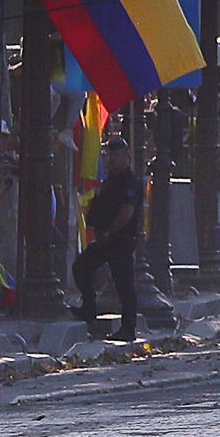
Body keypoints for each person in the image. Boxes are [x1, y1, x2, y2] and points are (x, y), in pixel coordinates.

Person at [75, 142, 145, 341]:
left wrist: (110, 230)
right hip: (105, 238)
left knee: (124, 284)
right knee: (81, 267)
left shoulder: (129, 182)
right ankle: (88, 309)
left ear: (126, 157)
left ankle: (128, 328)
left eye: (116, 155)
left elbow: (127, 212)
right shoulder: (110, 180)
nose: (111, 159)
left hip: (120, 239)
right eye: (109, 155)